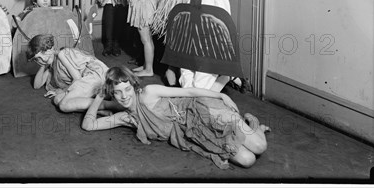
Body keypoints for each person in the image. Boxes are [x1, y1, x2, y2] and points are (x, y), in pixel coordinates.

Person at [81, 66, 270, 169]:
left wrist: (221, 95)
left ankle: (252, 124)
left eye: (127, 89)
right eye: (117, 92)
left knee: (260, 146)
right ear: (111, 93)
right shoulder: (126, 118)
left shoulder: (148, 92)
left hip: (201, 110)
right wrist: (98, 96)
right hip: (192, 132)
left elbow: (188, 92)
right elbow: (89, 125)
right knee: (248, 160)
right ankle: (251, 129)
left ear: (133, 85)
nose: (124, 96)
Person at [176, 0, 233, 92]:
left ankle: (224, 78)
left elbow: (224, 19)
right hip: (189, 37)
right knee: (186, 75)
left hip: (208, 41)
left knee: (200, 85)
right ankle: (190, 98)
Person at [26, 34, 116, 113]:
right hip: (85, 84)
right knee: (57, 100)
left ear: (51, 49)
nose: (41, 60)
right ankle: (100, 110)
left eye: (43, 53)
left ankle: (112, 105)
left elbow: (77, 79)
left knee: (62, 103)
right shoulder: (51, 67)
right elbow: (37, 85)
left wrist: (63, 90)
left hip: (94, 76)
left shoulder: (61, 54)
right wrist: (42, 64)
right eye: (37, 59)